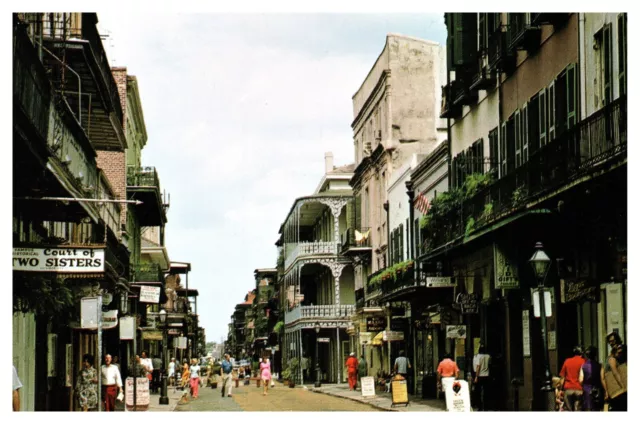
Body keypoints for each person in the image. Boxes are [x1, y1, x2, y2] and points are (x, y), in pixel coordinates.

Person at [601, 337, 627, 411]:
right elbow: (614, 373)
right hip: (619, 390)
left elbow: (603, 376)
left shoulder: (609, 358)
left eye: (613, 340)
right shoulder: (612, 359)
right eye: (610, 341)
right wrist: (623, 387)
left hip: (616, 390)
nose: (612, 343)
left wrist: (606, 390)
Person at [559, 346, 585, 411]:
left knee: (568, 410)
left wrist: (560, 390)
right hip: (579, 389)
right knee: (578, 410)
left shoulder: (567, 361)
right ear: (581, 353)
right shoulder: (584, 361)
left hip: (568, 390)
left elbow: (562, 378)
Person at [579, 346, 603, 411]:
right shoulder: (600, 365)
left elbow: (580, 380)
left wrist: (584, 385)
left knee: (588, 409)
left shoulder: (583, 366)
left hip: (587, 390)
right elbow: (602, 378)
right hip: (597, 389)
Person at [473, 345, 491, 411]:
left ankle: (480, 407)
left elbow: (478, 367)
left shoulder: (478, 357)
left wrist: (476, 377)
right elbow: (490, 364)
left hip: (480, 376)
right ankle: (486, 407)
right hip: (487, 375)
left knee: (478, 391)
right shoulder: (488, 356)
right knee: (486, 391)